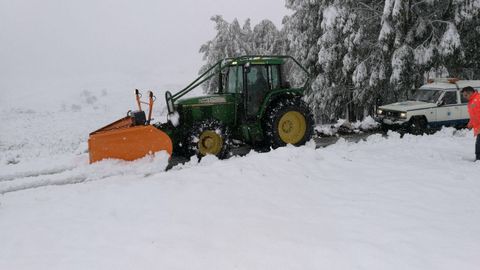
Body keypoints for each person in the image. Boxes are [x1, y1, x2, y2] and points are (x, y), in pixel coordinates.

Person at [461, 86, 480, 161]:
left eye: (466, 95)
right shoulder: (471, 102)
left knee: (479, 144)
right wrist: (470, 124)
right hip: (478, 127)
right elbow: (474, 115)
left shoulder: (478, 99)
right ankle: (478, 158)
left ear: (470, 93)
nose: (464, 97)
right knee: (478, 144)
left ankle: (478, 159)